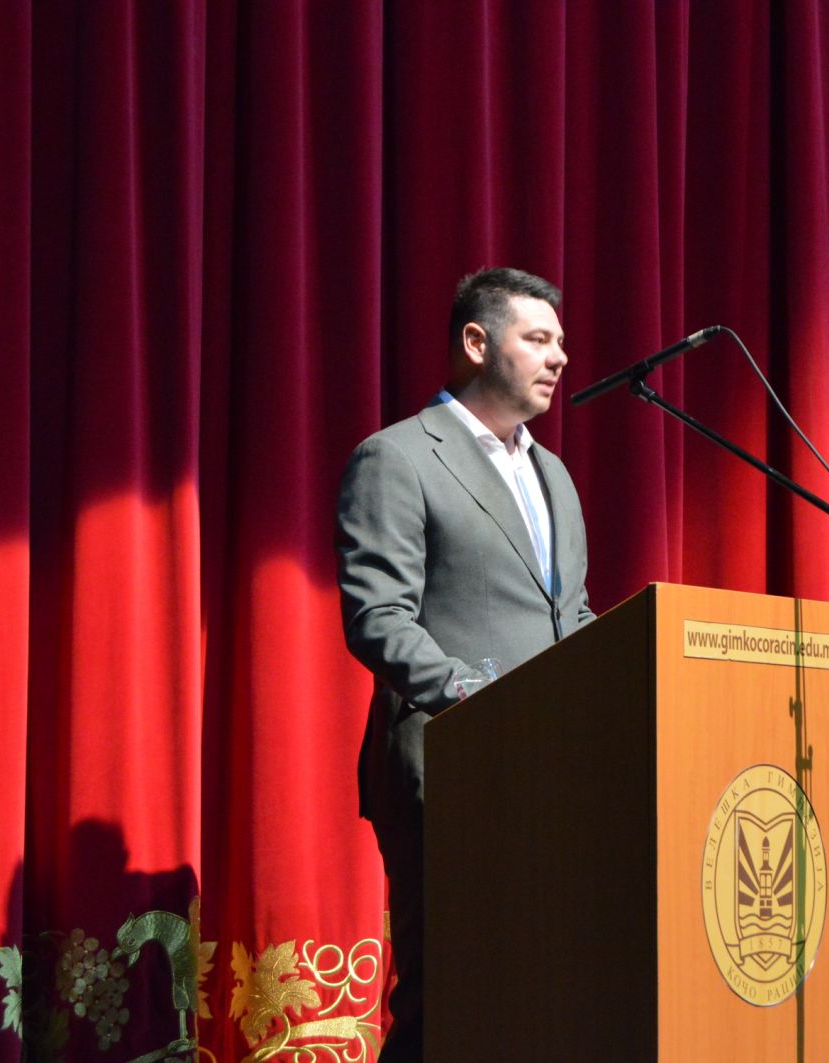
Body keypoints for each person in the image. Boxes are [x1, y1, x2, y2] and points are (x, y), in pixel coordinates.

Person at [335, 267, 594, 1062]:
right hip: (451, 762)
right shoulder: (398, 456)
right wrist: (483, 700)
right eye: (538, 338)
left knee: (538, 1000)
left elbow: (572, 616)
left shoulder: (553, 474)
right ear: (477, 342)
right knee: (449, 999)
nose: (560, 357)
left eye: (561, 342)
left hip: (553, 769)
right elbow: (379, 618)